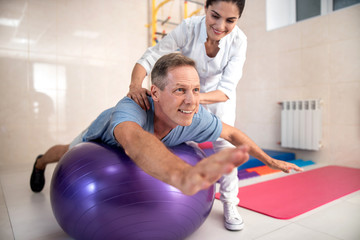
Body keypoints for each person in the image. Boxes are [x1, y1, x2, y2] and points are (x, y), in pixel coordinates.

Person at [30, 53, 303, 227]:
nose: (191, 100)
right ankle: (40, 162)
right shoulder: (133, 106)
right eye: (180, 90)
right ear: (155, 93)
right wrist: (182, 174)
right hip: (101, 139)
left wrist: (271, 161)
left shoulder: (194, 115)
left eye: (196, 90)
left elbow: (231, 133)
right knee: (65, 150)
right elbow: (133, 139)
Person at [127, 0, 248, 231]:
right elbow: (151, 56)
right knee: (182, 142)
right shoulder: (190, 27)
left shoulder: (239, 41)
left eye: (230, 20)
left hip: (215, 99)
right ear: (206, 9)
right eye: (215, 15)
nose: (220, 25)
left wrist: (190, 99)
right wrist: (135, 85)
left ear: (237, 20)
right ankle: (169, 195)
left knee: (225, 147)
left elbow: (225, 91)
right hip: (187, 94)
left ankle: (230, 203)